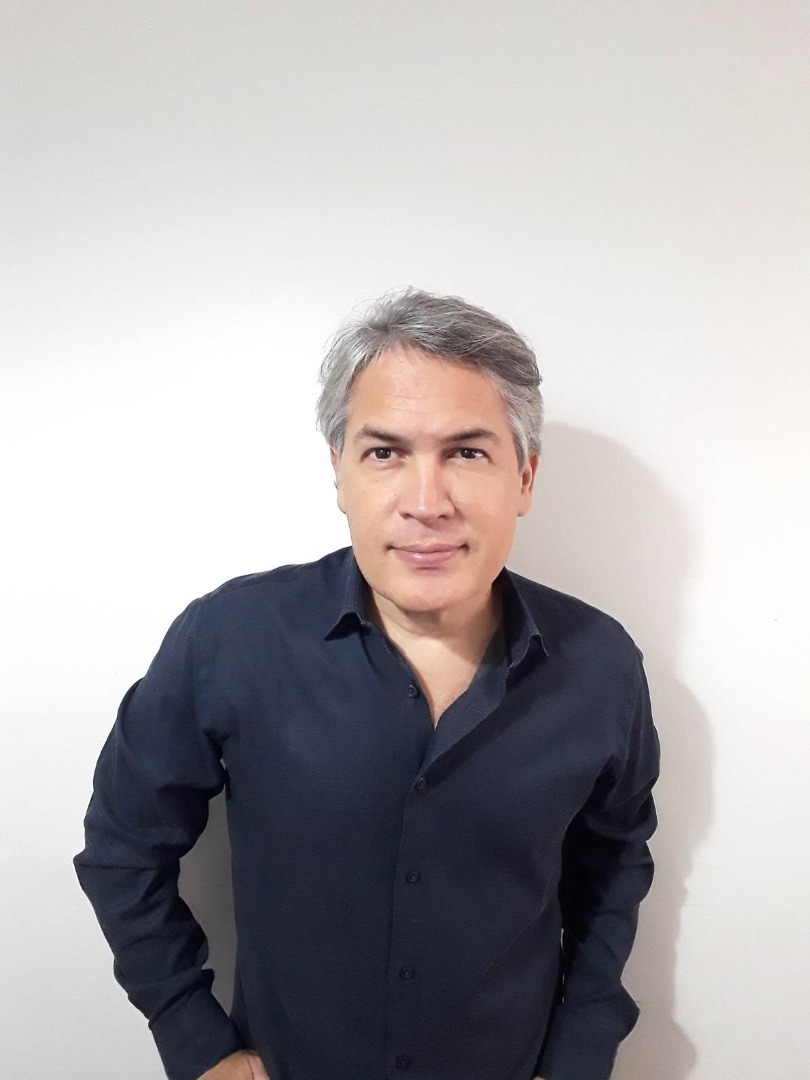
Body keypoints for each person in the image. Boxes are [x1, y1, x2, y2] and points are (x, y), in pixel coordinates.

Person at [75, 288, 659, 1080]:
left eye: (467, 453)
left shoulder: (601, 665)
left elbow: (615, 865)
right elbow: (122, 847)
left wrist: (581, 1052)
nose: (426, 503)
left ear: (524, 477)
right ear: (339, 473)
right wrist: (194, 1039)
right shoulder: (229, 639)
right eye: (385, 453)